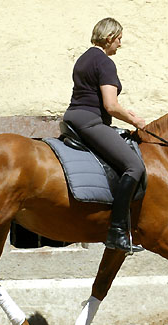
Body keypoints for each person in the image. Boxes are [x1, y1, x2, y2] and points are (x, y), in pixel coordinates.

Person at [63, 17, 145, 253]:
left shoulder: (84, 58)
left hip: (74, 117)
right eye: (119, 39)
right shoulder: (105, 62)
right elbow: (111, 105)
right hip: (90, 121)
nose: (120, 44)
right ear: (109, 38)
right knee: (134, 166)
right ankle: (118, 231)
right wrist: (135, 120)